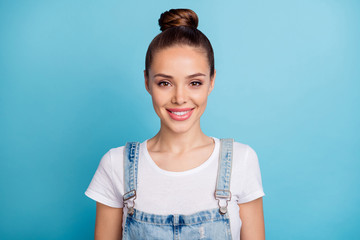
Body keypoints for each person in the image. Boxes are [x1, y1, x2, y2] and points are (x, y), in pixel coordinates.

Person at [85, 8, 265, 240]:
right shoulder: (116, 164)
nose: (180, 98)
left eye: (195, 82)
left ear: (212, 81)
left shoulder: (242, 161)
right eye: (165, 83)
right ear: (147, 82)